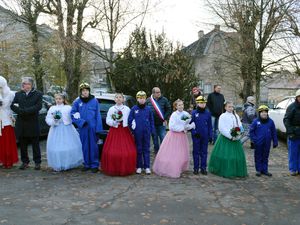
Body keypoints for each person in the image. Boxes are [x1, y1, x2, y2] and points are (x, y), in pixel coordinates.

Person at [152, 99, 195, 178]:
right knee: (174, 153)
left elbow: (186, 125)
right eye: (179, 105)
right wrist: (182, 128)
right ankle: (172, 168)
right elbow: (172, 127)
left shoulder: (185, 114)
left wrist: (190, 126)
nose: (181, 106)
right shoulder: (174, 115)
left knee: (181, 153)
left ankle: (180, 167)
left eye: (182, 104)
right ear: (175, 106)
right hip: (174, 136)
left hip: (182, 136)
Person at [208, 101, 247, 178]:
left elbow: (239, 125)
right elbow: (221, 128)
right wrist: (230, 136)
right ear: (225, 107)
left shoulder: (236, 115)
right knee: (226, 155)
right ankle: (224, 170)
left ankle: (235, 170)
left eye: (232, 106)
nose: (231, 108)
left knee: (236, 156)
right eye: (229, 106)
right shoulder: (223, 116)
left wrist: (238, 134)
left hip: (236, 139)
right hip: (225, 139)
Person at [11, 77, 42, 170]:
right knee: (23, 144)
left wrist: (25, 111)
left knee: (35, 144)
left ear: (32, 85)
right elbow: (12, 105)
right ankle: (25, 162)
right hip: (21, 123)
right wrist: (21, 111)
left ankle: (37, 162)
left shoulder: (38, 94)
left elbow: (38, 106)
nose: (26, 86)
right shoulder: (18, 94)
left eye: (28, 84)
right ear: (22, 85)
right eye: (24, 84)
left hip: (33, 122)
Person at [101, 93, 137, 176]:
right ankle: (114, 168)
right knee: (112, 150)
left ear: (123, 99)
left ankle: (126, 167)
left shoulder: (127, 109)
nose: (118, 99)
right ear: (114, 99)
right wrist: (114, 122)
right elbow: (108, 120)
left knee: (126, 150)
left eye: (120, 97)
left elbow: (130, 118)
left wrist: (132, 124)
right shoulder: (111, 109)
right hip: (114, 130)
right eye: (116, 97)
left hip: (124, 131)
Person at [46, 93, 83, 171]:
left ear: (63, 99)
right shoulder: (52, 108)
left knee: (68, 145)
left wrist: (76, 116)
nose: (58, 100)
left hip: (67, 128)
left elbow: (72, 116)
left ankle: (68, 163)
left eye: (60, 99)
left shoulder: (68, 108)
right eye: (57, 99)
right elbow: (48, 119)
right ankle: (59, 163)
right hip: (56, 129)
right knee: (57, 147)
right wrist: (54, 121)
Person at [71, 83, 103, 173]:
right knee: (85, 146)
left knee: (93, 146)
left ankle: (94, 164)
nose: (85, 92)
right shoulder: (77, 102)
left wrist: (98, 129)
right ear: (81, 92)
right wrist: (80, 122)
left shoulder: (94, 101)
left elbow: (98, 115)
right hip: (83, 128)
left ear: (89, 91)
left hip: (93, 128)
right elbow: (72, 114)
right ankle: (86, 164)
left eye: (86, 90)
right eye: (83, 91)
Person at [128, 91, 155, 175]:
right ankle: (139, 166)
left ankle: (147, 167)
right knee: (138, 149)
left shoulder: (148, 109)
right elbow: (130, 119)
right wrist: (132, 127)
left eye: (143, 98)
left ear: (145, 99)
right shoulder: (134, 109)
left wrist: (151, 130)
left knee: (146, 149)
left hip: (146, 132)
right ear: (137, 99)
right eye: (140, 98)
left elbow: (151, 120)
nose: (142, 100)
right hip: (137, 132)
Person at [250, 105, 278, 177]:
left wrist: (275, 141)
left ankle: (265, 170)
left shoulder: (271, 122)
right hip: (258, 142)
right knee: (258, 156)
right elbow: (251, 131)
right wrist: (254, 139)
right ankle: (259, 170)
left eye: (265, 112)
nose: (264, 113)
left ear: (267, 113)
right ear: (259, 113)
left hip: (267, 142)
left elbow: (274, 132)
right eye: (262, 112)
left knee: (265, 156)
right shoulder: (255, 121)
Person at [191, 96, 212, 175]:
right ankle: (196, 168)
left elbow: (210, 125)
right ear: (197, 103)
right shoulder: (194, 113)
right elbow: (190, 125)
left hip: (205, 136)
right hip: (196, 136)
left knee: (204, 152)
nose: (203, 104)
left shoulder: (208, 113)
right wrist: (194, 132)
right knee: (196, 152)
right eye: (201, 103)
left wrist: (210, 135)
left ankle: (203, 168)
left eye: (204, 103)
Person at [146, 87, 171, 154]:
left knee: (163, 137)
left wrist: (165, 118)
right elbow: (146, 111)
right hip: (152, 124)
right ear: (153, 93)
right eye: (157, 92)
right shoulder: (148, 100)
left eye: (159, 92)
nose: (159, 93)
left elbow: (169, 109)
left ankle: (163, 152)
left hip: (161, 123)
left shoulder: (164, 99)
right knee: (155, 139)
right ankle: (156, 151)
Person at [0, 76, 18, 169]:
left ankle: (9, 161)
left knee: (7, 141)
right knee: (1, 142)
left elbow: (9, 105)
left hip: (6, 119)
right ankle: (2, 160)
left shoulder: (10, 94)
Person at [283, 89, 300, 176]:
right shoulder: (292, 107)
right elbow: (286, 120)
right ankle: (293, 169)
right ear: (297, 98)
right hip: (294, 133)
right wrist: (290, 132)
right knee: (293, 153)